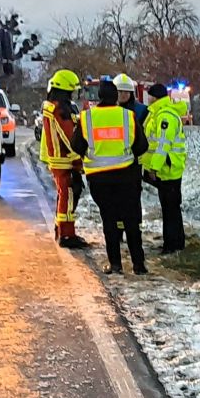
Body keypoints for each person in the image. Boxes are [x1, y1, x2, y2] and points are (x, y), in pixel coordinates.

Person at [71, 80, 148, 275]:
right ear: (116, 97)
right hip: (126, 176)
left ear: (99, 96)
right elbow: (141, 146)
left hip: (99, 178)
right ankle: (139, 265)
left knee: (109, 220)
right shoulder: (127, 116)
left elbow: (76, 146)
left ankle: (115, 264)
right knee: (131, 221)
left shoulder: (86, 118)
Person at [40, 69, 88, 248]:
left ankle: (61, 229)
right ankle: (67, 235)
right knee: (68, 195)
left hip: (59, 158)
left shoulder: (52, 106)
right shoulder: (59, 109)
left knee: (65, 195)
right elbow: (68, 136)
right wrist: (78, 156)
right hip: (65, 160)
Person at [141, 83, 190, 254]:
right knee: (171, 208)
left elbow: (163, 146)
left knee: (170, 210)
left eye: (150, 96)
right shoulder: (159, 113)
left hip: (168, 169)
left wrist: (154, 167)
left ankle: (172, 245)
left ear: (155, 97)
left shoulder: (164, 116)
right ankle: (175, 243)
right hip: (169, 168)